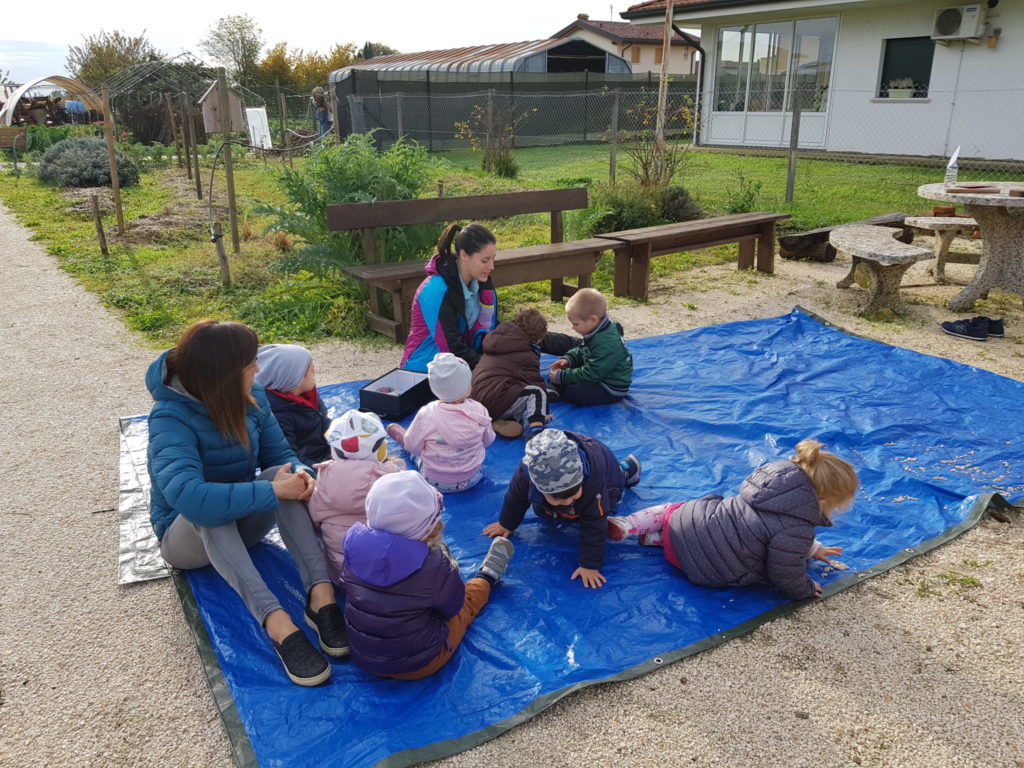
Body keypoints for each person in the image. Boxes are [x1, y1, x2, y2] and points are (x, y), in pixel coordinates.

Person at [146, 320, 347, 687]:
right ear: (222, 375)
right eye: (249, 365)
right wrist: (272, 492)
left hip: (242, 515)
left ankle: (321, 596)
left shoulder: (252, 395)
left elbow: (282, 455)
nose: (257, 370)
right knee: (209, 509)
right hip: (186, 538)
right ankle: (277, 623)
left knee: (280, 473)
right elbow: (189, 496)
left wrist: (302, 475)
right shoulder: (169, 419)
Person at [606, 439, 859, 600]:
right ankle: (654, 540)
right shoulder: (797, 530)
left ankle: (632, 525)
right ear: (821, 504)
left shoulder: (769, 483)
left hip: (684, 527)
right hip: (702, 568)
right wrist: (803, 589)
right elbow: (784, 571)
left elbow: (772, 533)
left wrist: (811, 549)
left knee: (677, 510)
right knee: (731, 544)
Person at [340, 471, 515, 679]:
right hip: (420, 664)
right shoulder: (434, 566)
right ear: (429, 527)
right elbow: (454, 607)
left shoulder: (353, 547)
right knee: (468, 602)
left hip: (364, 655)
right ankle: (488, 577)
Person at [483, 429, 642, 589]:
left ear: (581, 481)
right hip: (565, 483)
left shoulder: (593, 480)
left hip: (608, 478)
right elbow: (515, 498)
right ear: (539, 487)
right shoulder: (526, 473)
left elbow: (595, 524)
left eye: (572, 495)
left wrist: (589, 565)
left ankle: (626, 470)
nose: (567, 502)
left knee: (599, 508)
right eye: (558, 498)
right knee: (544, 510)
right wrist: (506, 524)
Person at [308, 409, 405, 585]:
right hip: (387, 571)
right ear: (381, 449)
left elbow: (315, 515)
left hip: (342, 575)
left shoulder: (323, 476)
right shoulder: (391, 477)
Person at [388, 353, 494, 492]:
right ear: (468, 386)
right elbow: (488, 440)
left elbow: (413, 447)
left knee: (412, 449)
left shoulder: (427, 413)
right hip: (472, 478)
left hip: (434, 481)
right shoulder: (480, 411)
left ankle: (401, 435)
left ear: (434, 387)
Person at [401, 223, 498, 372]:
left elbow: (490, 329)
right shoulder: (435, 290)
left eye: (493, 259)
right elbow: (452, 347)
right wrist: (491, 367)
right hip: (424, 372)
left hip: (459, 366)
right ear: (464, 255)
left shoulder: (480, 284)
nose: (491, 267)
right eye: (485, 261)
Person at [472, 307, 553, 440]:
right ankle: (537, 434)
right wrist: (544, 411)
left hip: (476, 401)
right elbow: (535, 381)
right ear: (537, 339)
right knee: (536, 393)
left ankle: (494, 420)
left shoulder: (496, 340)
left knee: (514, 389)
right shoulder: (527, 354)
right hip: (494, 398)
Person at [543, 287, 632, 406]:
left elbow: (592, 373)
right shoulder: (597, 330)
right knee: (563, 372)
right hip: (599, 372)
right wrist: (569, 359)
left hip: (610, 387)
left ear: (593, 320)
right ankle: (555, 386)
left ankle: (559, 387)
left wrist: (564, 377)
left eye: (576, 324)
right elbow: (584, 350)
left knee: (575, 392)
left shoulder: (606, 343)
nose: (573, 328)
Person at [254, 344, 331, 466]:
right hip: (308, 466)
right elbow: (287, 457)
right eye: (312, 371)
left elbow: (327, 425)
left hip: (325, 453)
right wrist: (323, 471)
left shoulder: (310, 395)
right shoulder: (278, 414)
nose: (315, 374)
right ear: (297, 379)